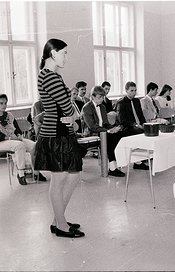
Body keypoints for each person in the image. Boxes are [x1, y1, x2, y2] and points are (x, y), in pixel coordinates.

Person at [34, 38, 84, 238]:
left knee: (72, 176)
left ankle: (58, 219)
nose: (66, 57)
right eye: (64, 52)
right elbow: (67, 107)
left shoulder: (49, 74)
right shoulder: (51, 77)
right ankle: (60, 225)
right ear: (53, 53)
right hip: (57, 134)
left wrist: (73, 116)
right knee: (60, 179)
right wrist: (74, 117)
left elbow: (70, 108)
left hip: (60, 132)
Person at [0, 94, 47, 185]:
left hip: (14, 139)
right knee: (19, 145)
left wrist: (18, 135)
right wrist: (9, 137)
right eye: (1, 103)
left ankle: (36, 172)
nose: (4, 105)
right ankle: (21, 174)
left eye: (5, 103)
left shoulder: (9, 115)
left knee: (34, 145)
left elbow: (17, 128)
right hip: (2, 141)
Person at [81, 86, 125, 177]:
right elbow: (92, 126)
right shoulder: (86, 108)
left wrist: (113, 128)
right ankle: (112, 167)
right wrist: (108, 131)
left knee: (119, 134)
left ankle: (117, 163)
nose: (101, 99)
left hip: (102, 131)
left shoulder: (102, 107)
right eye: (99, 97)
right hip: (91, 133)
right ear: (92, 97)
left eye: (102, 97)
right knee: (109, 138)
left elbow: (105, 123)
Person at [115, 81, 148, 170]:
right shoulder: (121, 102)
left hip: (137, 125)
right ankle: (138, 161)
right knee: (139, 132)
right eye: (131, 90)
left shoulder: (137, 101)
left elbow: (141, 115)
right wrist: (136, 125)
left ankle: (143, 157)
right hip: (127, 127)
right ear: (126, 90)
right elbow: (122, 120)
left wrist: (144, 124)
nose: (134, 93)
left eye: (135, 90)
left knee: (149, 130)